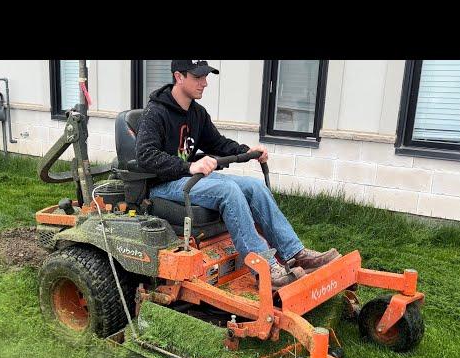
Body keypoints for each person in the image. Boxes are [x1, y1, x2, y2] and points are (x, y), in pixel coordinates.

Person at [135, 60, 339, 289]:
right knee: (228, 190)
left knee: (254, 186)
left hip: (188, 179)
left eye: (205, 77)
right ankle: (264, 267)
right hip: (163, 183)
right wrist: (189, 167)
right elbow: (145, 155)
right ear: (179, 77)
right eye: (198, 77)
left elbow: (218, 143)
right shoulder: (156, 112)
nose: (205, 83)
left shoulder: (197, 113)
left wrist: (246, 151)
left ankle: (295, 253)